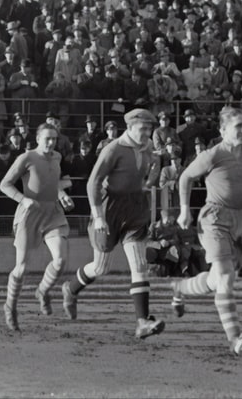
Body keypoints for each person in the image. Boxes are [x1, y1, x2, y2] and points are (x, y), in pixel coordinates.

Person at [171, 107, 242, 356]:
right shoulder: (212, 154)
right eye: (238, 126)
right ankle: (236, 339)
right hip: (214, 218)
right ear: (223, 129)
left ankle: (180, 289)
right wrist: (185, 211)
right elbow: (185, 178)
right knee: (226, 277)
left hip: (241, 219)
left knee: (218, 279)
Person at [61, 108, 166, 339]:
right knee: (101, 267)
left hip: (135, 208)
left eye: (150, 129)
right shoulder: (113, 149)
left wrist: (147, 183)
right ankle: (70, 288)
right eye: (143, 128)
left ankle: (142, 321)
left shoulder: (147, 146)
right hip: (109, 209)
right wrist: (98, 217)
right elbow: (93, 183)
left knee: (139, 265)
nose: (147, 133)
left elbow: (148, 167)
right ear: (130, 128)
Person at [0, 123, 74, 331]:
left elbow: (55, 183)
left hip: (53, 213)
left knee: (60, 261)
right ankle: (10, 307)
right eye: (47, 139)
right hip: (30, 214)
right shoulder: (26, 158)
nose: (51, 143)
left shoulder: (57, 157)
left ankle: (42, 291)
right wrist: (22, 200)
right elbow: (4, 184)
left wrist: (62, 195)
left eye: (54, 139)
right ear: (38, 139)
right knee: (21, 268)